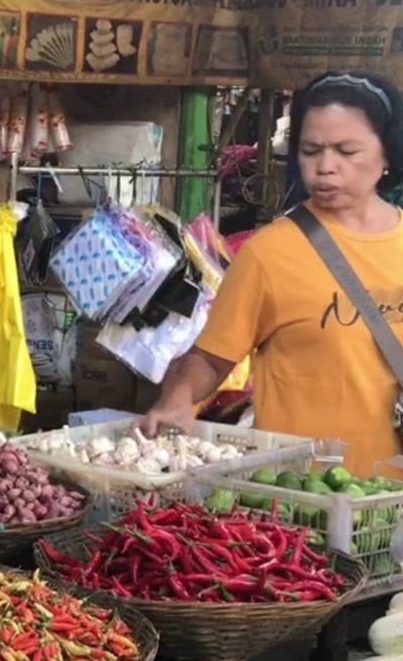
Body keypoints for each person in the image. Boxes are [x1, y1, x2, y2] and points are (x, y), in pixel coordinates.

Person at [139, 71, 403, 477]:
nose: (326, 167)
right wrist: (178, 395)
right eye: (311, 149)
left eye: (347, 151)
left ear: (388, 154)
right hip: (304, 499)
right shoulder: (271, 253)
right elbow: (210, 360)